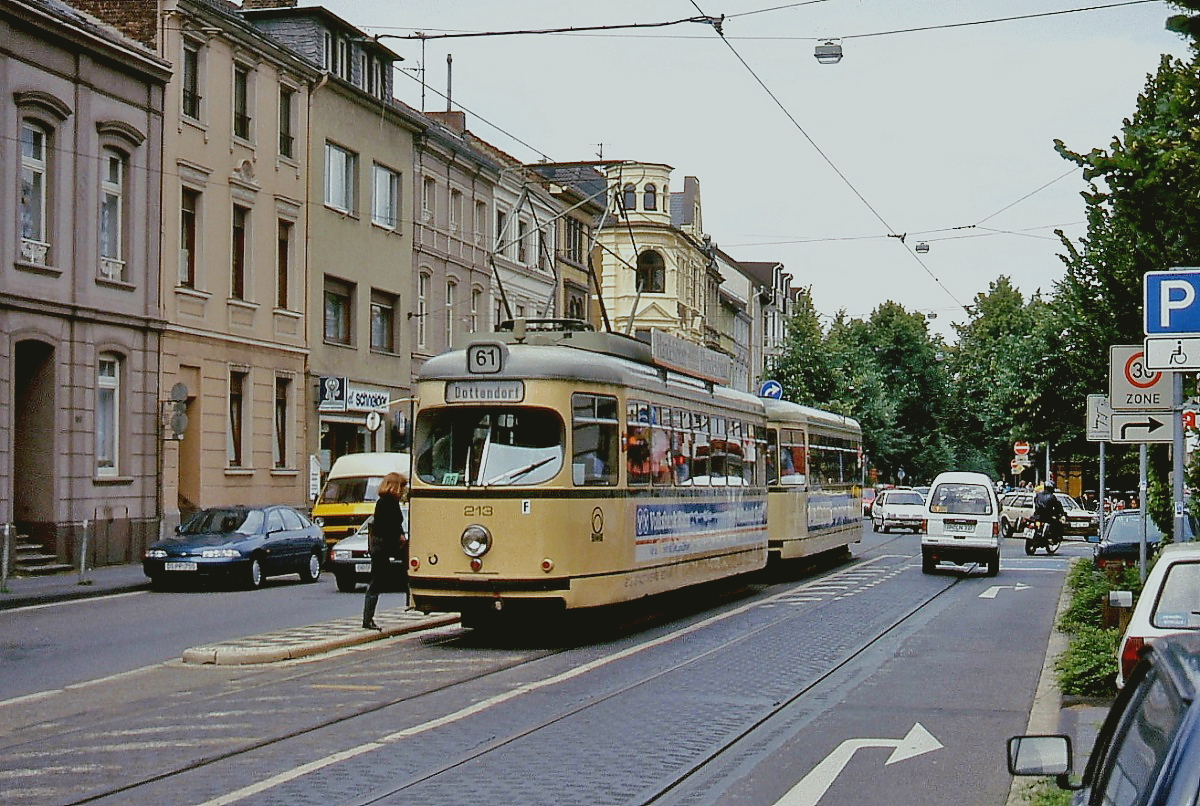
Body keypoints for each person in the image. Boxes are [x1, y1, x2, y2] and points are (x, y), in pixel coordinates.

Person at [362, 471, 408, 630]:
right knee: (377, 581)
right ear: (396, 486)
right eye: (402, 487)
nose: (403, 491)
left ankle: (368, 618)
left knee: (378, 580)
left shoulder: (386, 501)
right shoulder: (387, 502)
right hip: (382, 547)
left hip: (381, 546)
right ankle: (367, 619)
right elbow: (389, 525)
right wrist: (399, 537)